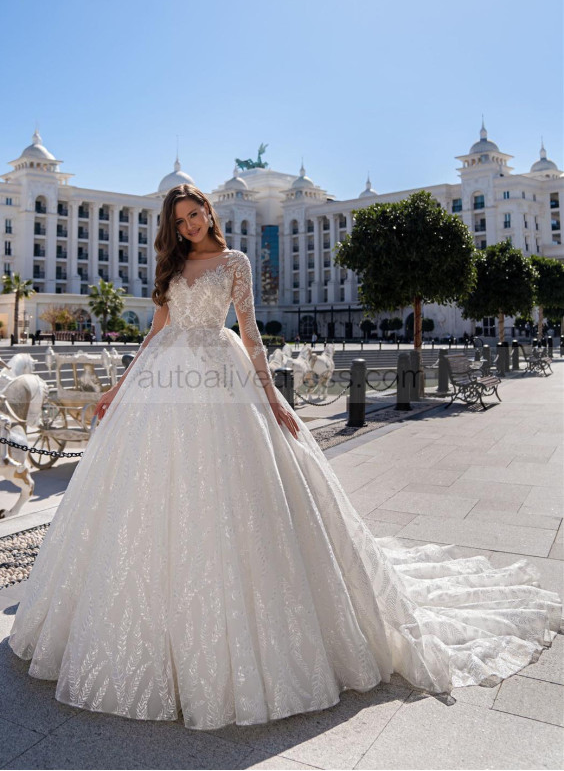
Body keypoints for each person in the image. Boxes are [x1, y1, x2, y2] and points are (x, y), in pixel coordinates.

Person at [8, 184, 561, 732]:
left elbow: (249, 334)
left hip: (222, 378)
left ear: (209, 212)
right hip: (162, 380)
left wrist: (271, 397)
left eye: (195, 214)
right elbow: (156, 333)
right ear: (171, 226)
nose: (189, 225)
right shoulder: (169, 265)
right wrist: (118, 386)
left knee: (234, 488)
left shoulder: (235, 261)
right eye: (179, 220)